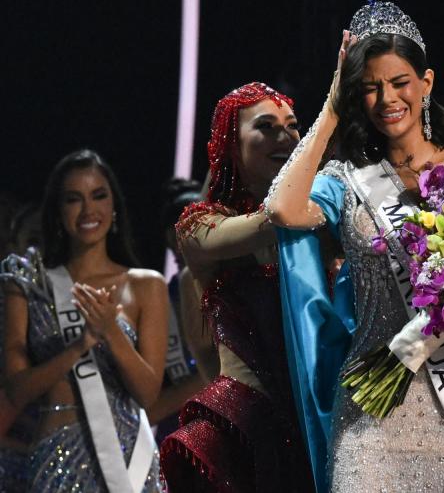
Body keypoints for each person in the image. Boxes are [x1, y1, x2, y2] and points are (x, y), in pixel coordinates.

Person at [266, 0, 444, 492]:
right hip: (371, 420)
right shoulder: (345, 181)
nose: (386, 98)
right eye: (369, 88)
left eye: (399, 83)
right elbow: (282, 209)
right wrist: (329, 108)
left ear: (426, 83)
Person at [159, 82, 314, 492]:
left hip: (316, 425)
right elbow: (273, 218)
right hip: (241, 433)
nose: (285, 137)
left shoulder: (317, 225)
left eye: (294, 125)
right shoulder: (198, 228)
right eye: (266, 126)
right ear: (231, 144)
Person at [2, 149, 168, 491]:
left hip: (129, 463)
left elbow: (148, 394)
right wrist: (81, 344)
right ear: (58, 212)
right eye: (73, 199)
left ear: (114, 206)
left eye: (98, 196)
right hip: (56, 462)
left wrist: (111, 332)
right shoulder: (29, 284)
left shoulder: (146, 285)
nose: (88, 210)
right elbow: (17, 391)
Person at [147, 178, 213, 444]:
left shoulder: (240, 293)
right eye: (193, 226)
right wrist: (221, 373)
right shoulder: (153, 304)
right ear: (170, 238)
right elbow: (144, 410)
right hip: (179, 447)